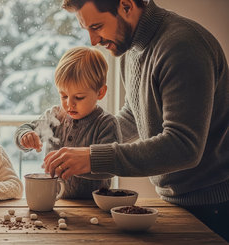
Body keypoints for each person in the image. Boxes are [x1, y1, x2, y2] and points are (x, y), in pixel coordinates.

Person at [43, 0, 229, 240]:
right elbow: (134, 115)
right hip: (174, 200)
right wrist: (85, 139)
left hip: (212, 207)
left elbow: (184, 146)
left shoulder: (183, 47)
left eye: (97, 26)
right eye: (86, 29)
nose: (92, 41)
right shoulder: (129, 50)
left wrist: (92, 158)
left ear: (126, 5)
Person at [14, 46, 121, 199]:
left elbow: (111, 168)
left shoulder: (106, 124)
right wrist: (26, 136)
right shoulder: (55, 117)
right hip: (54, 201)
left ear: (100, 92)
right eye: (63, 96)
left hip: (93, 205)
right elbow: (25, 129)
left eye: (78, 97)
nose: (69, 104)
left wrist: (79, 166)